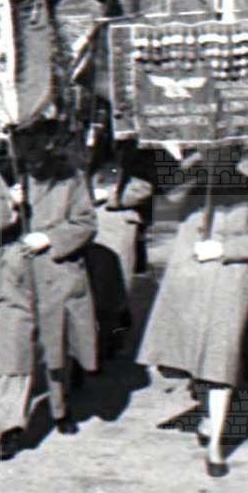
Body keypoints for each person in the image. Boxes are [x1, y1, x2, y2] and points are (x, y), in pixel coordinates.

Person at [137, 146, 248, 477]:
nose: (219, 159)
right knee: (194, 359)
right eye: (212, 154)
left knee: (220, 364)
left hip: (229, 285)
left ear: (237, 154)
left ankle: (215, 447)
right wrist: (189, 164)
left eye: (226, 154)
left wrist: (225, 248)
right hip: (191, 285)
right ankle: (207, 414)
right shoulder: (191, 184)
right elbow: (165, 195)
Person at [0, 124, 97, 460]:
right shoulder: (6, 176)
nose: (26, 147)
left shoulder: (70, 177)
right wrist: (10, 204)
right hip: (12, 278)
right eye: (20, 140)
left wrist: (50, 238)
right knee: (14, 351)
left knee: (55, 347)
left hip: (55, 275)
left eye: (33, 139)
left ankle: (60, 408)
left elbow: (86, 223)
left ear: (48, 142)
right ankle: (10, 427)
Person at [86, 132, 153, 358]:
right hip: (91, 224)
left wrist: (108, 196)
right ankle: (96, 337)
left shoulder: (139, 153)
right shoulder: (93, 151)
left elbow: (144, 187)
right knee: (93, 284)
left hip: (119, 224)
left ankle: (113, 336)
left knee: (117, 283)